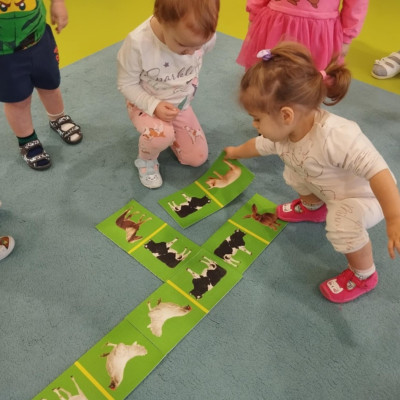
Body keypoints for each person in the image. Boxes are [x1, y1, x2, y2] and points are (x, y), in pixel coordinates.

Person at [225, 42, 400, 303]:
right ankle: (314, 207)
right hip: (325, 187)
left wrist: (394, 218)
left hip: (365, 197)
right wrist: (236, 152)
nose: (254, 124)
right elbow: (258, 146)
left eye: (257, 118)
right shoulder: (284, 133)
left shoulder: (337, 136)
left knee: (342, 223)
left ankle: (364, 274)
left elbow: (379, 172)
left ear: (286, 115)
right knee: (294, 170)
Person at [117, 0, 220, 189]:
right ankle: (146, 160)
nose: (190, 53)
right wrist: (154, 105)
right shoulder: (138, 43)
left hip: (179, 104)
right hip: (144, 104)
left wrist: (195, 45)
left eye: (198, 46)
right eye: (183, 45)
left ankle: (169, 134)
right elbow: (126, 84)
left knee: (197, 158)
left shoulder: (204, 35)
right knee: (161, 135)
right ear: (162, 19)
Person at [0, 0, 82, 171]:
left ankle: (57, 118)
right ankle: (27, 139)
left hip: (38, 38)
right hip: (4, 55)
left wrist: (57, 3)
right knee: (17, 100)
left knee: (49, 85)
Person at [237, 0, 369, 70]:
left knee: (307, 82)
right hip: (277, 24)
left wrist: (347, 36)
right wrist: (254, 15)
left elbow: (357, 4)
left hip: (319, 31)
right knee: (269, 74)